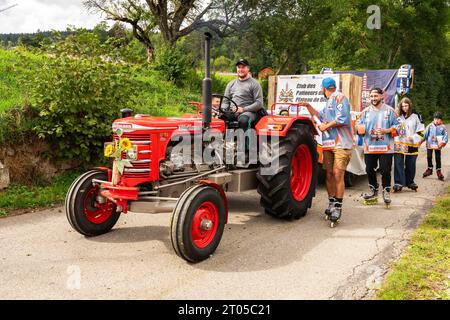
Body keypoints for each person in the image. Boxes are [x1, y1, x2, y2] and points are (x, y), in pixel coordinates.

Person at [299, 77, 354, 225]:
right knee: (329, 174)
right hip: (328, 144)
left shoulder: (340, 98)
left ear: (324, 89)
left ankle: (338, 206)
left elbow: (343, 119)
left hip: (342, 144)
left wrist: (325, 127)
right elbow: (319, 115)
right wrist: (308, 106)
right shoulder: (329, 102)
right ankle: (331, 203)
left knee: (338, 173)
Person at [356, 88, 400, 207]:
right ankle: (373, 189)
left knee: (385, 170)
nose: (373, 98)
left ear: (382, 96)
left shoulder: (390, 111)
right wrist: (359, 128)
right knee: (369, 169)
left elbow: (400, 127)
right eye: (371, 96)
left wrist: (387, 130)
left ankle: (386, 191)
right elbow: (357, 123)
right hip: (370, 147)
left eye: (375, 96)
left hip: (386, 148)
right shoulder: (365, 111)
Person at [221, 59, 264, 130]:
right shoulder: (231, 84)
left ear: (248, 69)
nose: (240, 69)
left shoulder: (254, 84)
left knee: (244, 121)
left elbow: (259, 103)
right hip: (233, 112)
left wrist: (243, 109)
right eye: (239, 67)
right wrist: (223, 110)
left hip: (248, 112)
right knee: (220, 119)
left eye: (243, 67)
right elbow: (225, 101)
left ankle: (245, 141)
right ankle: (224, 140)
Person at [393, 97, 425, 192]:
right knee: (398, 163)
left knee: (410, 164)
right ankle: (398, 183)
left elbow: (421, 130)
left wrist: (414, 137)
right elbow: (392, 128)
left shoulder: (416, 116)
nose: (404, 108)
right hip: (399, 143)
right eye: (402, 106)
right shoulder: (397, 116)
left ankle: (410, 182)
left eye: (406, 105)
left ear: (409, 105)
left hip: (411, 144)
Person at [422, 112, 448, 181]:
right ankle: (429, 169)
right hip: (429, 145)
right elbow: (425, 134)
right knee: (429, 156)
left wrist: (443, 142)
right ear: (433, 119)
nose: (436, 120)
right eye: (435, 119)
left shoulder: (443, 127)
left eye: (438, 119)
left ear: (441, 120)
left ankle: (438, 171)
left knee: (437, 157)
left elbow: (445, 136)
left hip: (438, 145)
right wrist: (421, 141)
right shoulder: (430, 126)